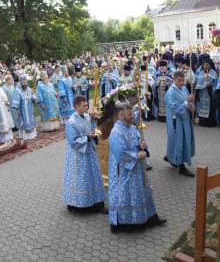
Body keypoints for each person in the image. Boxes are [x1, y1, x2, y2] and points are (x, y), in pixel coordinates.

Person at [108, 103, 166, 232]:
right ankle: (128, 223)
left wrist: (142, 145)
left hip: (137, 169)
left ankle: (149, 218)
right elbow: (120, 154)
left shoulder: (132, 127)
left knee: (142, 193)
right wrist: (137, 155)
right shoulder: (115, 132)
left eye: (133, 113)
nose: (133, 115)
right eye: (130, 114)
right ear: (121, 115)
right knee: (126, 195)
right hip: (124, 172)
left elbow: (139, 141)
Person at [62, 95, 107, 214]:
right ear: (77, 106)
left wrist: (94, 122)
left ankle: (98, 203)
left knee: (94, 177)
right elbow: (73, 142)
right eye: (84, 105)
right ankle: (78, 204)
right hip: (78, 156)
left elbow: (92, 129)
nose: (87, 106)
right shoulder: (71, 122)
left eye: (87, 104)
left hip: (90, 152)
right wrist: (88, 137)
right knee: (81, 179)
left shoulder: (87, 117)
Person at [164, 71, 196, 177]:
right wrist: (187, 102)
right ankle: (181, 166)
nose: (182, 83)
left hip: (184, 120)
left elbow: (187, 102)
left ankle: (170, 156)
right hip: (176, 122)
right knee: (179, 141)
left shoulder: (184, 88)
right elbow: (176, 108)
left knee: (181, 141)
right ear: (174, 79)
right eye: (179, 80)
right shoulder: (170, 93)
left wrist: (191, 105)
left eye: (183, 80)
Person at [12, 74, 37, 140]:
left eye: (26, 82)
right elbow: (16, 101)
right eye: (23, 82)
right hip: (22, 110)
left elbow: (33, 96)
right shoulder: (17, 91)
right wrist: (18, 110)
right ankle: (24, 136)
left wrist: (34, 99)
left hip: (29, 109)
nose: (25, 84)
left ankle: (31, 135)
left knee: (30, 120)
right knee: (24, 122)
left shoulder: (29, 89)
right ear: (20, 82)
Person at [195, 57, 217, 127]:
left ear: (210, 65)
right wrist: (198, 91)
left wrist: (210, 84)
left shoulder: (213, 72)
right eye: (204, 65)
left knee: (210, 108)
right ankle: (202, 122)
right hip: (202, 93)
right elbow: (198, 83)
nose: (205, 66)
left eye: (207, 64)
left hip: (209, 93)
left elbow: (215, 83)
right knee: (202, 107)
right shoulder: (201, 72)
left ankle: (210, 122)